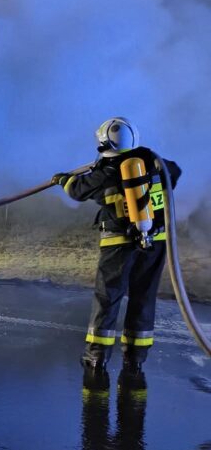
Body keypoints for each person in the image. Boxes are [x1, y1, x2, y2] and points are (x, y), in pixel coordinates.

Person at [53, 118, 181, 373]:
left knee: (108, 297)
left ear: (103, 142)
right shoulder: (155, 163)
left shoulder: (107, 171)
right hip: (156, 242)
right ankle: (136, 357)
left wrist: (62, 179)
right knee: (143, 297)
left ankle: (96, 356)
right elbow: (174, 172)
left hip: (118, 243)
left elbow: (77, 190)